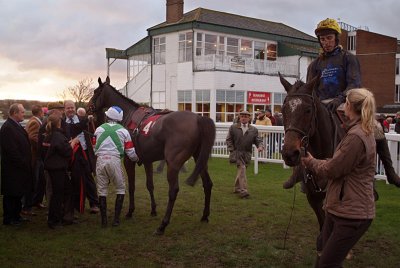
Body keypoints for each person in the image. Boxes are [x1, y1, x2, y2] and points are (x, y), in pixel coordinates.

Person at [283, 18, 400, 188]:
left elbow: (354, 84)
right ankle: (299, 171)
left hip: (346, 102)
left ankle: (390, 173)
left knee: (377, 128)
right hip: (319, 104)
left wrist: (340, 99)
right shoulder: (314, 64)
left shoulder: (348, 59)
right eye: (323, 39)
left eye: (329, 38)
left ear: (336, 38)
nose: (326, 42)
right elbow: (310, 89)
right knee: (303, 130)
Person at [301, 88, 376, 267]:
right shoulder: (356, 131)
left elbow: (334, 169)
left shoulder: (356, 137)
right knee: (326, 259)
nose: (344, 107)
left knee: (327, 264)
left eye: (346, 104)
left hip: (352, 214)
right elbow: (339, 163)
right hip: (339, 209)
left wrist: (311, 162)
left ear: (350, 106)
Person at [93, 106, 138, 227]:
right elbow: (130, 151)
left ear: (108, 117)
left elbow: (94, 147)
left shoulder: (98, 129)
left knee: (102, 190)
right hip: (115, 161)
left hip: (100, 161)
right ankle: (116, 220)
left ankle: (104, 221)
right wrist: (136, 159)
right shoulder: (124, 131)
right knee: (120, 188)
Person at [42, 114, 79, 229]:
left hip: (55, 168)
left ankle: (65, 217)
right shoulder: (58, 136)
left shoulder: (50, 135)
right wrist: (73, 143)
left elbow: (57, 149)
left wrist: (68, 144)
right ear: (58, 123)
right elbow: (67, 152)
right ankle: (54, 221)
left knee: (67, 191)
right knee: (57, 195)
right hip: (57, 169)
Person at [63, 100, 99, 214]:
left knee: (88, 178)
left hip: (85, 152)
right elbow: (73, 129)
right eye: (68, 108)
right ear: (64, 110)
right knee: (75, 179)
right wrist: (86, 121)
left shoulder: (83, 119)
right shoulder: (64, 123)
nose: (70, 110)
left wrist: (92, 118)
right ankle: (76, 204)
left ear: (75, 108)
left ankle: (94, 203)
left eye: (72, 107)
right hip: (72, 154)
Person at [1, 103, 33, 226]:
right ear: (15, 113)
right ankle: (9, 218)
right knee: (11, 194)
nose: (23, 114)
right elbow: (11, 150)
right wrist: (23, 162)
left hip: (19, 168)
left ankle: (17, 215)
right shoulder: (8, 128)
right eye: (22, 112)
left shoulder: (16, 125)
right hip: (12, 169)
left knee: (18, 193)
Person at [226, 110, 264, 199]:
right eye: (242, 116)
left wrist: (260, 146)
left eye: (246, 116)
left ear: (249, 118)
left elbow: (258, 140)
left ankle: (237, 188)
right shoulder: (233, 128)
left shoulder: (253, 129)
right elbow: (229, 140)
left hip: (247, 154)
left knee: (241, 171)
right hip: (237, 152)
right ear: (239, 117)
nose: (243, 118)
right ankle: (243, 191)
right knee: (242, 169)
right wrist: (232, 150)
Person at [25, 105, 46, 210]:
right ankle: (30, 203)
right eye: (42, 111)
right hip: (36, 156)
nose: (43, 113)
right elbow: (33, 137)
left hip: (37, 156)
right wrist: (43, 145)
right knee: (35, 180)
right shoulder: (35, 122)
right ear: (40, 112)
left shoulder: (34, 120)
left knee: (40, 179)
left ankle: (36, 201)